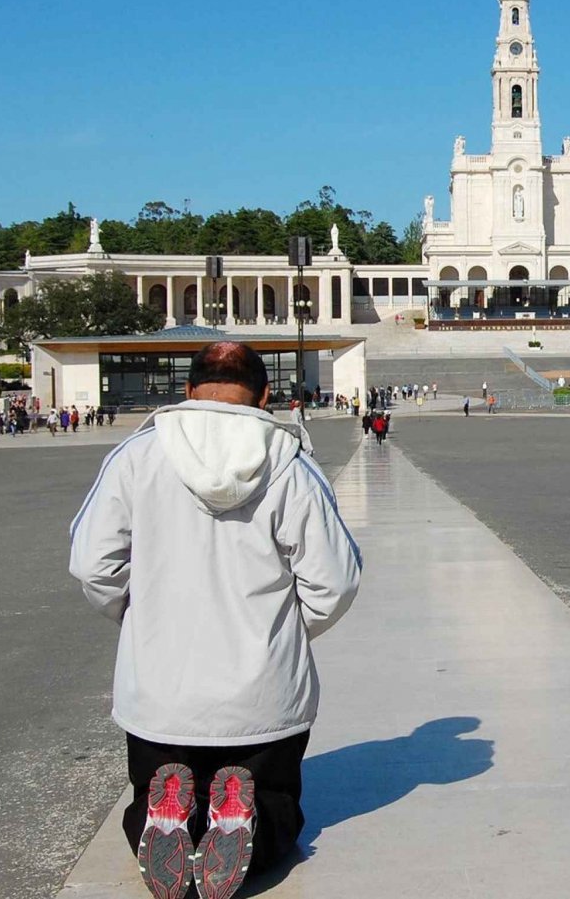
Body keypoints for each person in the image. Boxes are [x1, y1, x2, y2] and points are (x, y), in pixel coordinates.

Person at [69, 341, 360, 899]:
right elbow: (336, 580)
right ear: (266, 394)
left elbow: (92, 563)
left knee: (152, 788)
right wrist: (287, 635)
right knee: (276, 805)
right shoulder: (289, 463)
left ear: (187, 390)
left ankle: (166, 818)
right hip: (262, 695)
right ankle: (246, 821)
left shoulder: (137, 457)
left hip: (161, 690)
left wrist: (139, 619)